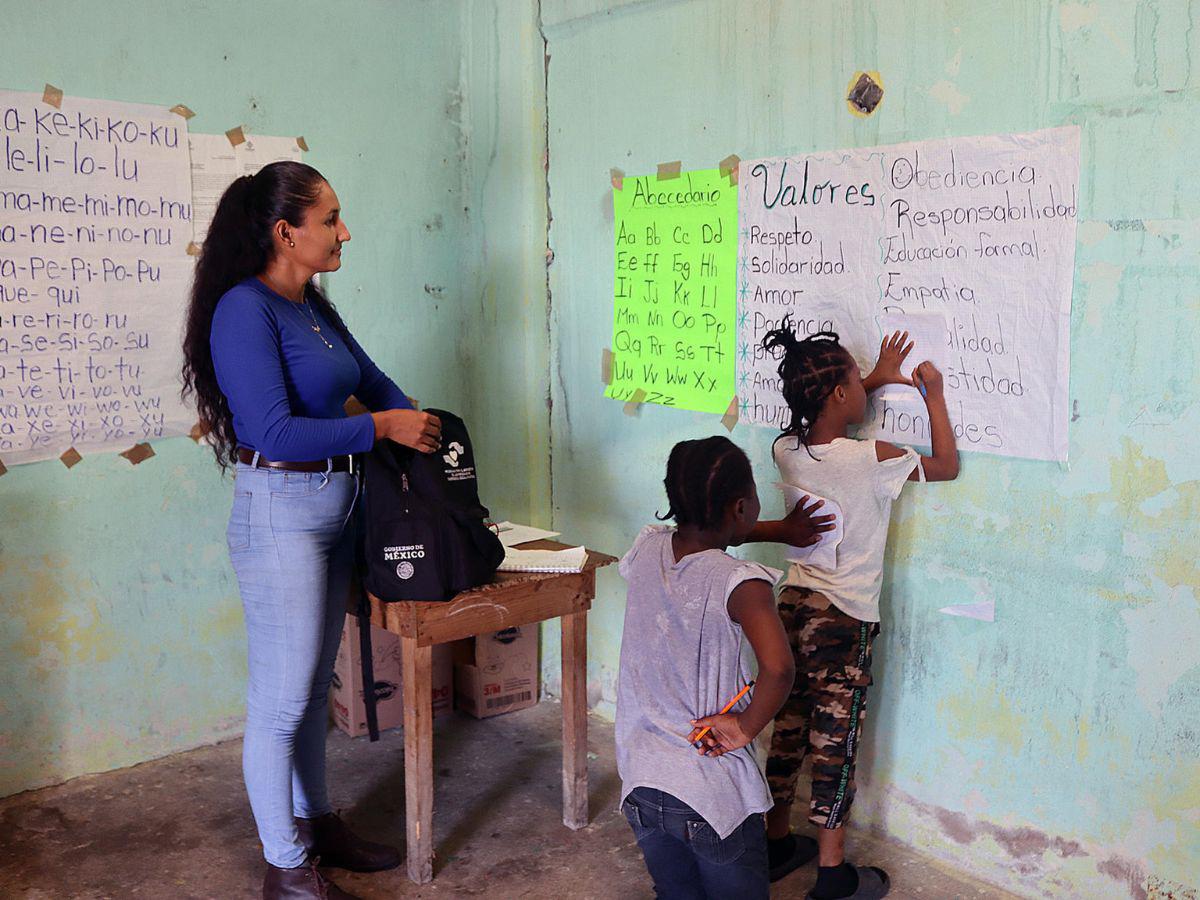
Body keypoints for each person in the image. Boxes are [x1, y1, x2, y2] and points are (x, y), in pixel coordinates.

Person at [181, 161, 441, 900]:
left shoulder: (314, 308)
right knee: (280, 702)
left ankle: (318, 823)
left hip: (336, 514)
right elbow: (273, 431)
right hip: (281, 518)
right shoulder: (245, 309)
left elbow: (375, 378)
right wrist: (379, 425)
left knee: (312, 686)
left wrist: (402, 411)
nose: (344, 231)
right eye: (330, 219)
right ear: (284, 231)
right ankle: (285, 868)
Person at [759, 320, 959, 900]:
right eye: (856, 381)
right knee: (835, 742)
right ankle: (831, 874)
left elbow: (822, 406)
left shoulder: (785, 450)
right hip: (844, 620)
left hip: (792, 608)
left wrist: (866, 377)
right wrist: (933, 395)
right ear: (844, 396)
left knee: (790, 727)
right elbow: (945, 465)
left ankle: (775, 845)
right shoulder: (872, 457)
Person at [616, 435, 834, 898]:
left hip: (640, 776)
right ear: (740, 506)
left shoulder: (647, 548)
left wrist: (776, 530)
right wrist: (744, 727)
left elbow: (703, 537)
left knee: (676, 894)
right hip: (707, 792)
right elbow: (778, 670)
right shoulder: (743, 584)